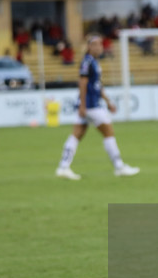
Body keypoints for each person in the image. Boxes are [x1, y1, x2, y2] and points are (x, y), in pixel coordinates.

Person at [55, 35, 140, 180]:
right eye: (95, 45)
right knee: (108, 133)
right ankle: (119, 167)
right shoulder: (87, 62)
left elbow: (97, 86)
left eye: (100, 44)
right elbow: (82, 83)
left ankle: (63, 167)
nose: (98, 47)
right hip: (91, 105)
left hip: (90, 104)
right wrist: (83, 105)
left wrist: (107, 101)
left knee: (76, 135)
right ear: (89, 46)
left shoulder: (94, 62)